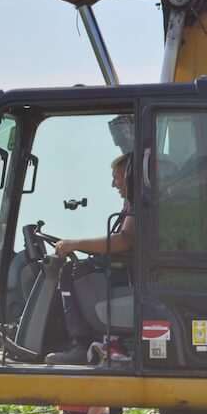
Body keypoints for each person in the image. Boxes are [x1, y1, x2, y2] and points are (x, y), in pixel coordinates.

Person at [44, 154, 134, 364]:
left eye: (116, 176)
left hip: (128, 274)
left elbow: (123, 242)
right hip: (125, 270)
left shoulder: (140, 204)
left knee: (70, 272)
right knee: (76, 268)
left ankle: (80, 344)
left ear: (130, 177)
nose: (113, 183)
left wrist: (76, 243)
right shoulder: (131, 204)